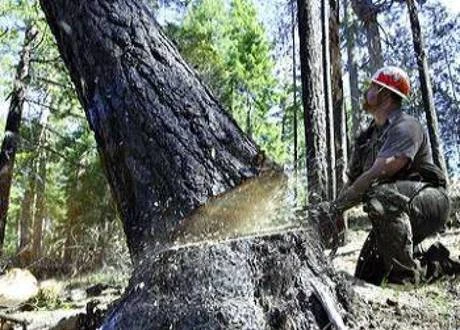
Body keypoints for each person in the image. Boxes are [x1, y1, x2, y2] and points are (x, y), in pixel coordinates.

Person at [330, 66, 451, 285]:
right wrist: (334, 212)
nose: (367, 91)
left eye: (372, 87)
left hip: (430, 202)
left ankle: (405, 277)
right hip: (395, 204)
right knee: (366, 276)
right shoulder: (365, 140)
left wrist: (336, 207)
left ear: (384, 94)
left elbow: (376, 174)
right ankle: (436, 264)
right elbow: (352, 183)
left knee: (379, 194)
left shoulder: (406, 126)